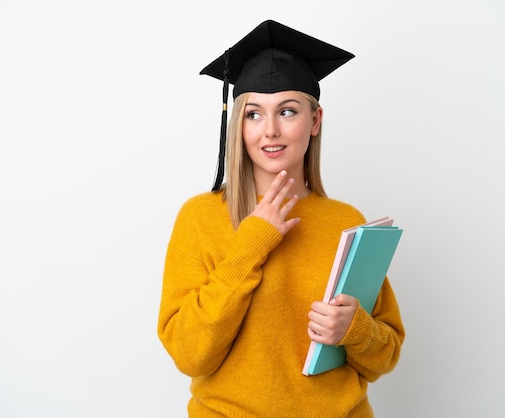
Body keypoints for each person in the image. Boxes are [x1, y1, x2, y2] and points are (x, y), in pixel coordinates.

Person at [157, 20, 405, 417]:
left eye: (287, 111)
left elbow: (385, 355)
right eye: (253, 114)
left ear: (315, 120)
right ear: (237, 124)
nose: (269, 131)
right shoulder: (201, 217)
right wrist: (253, 241)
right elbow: (190, 355)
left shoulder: (346, 220)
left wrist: (354, 331)